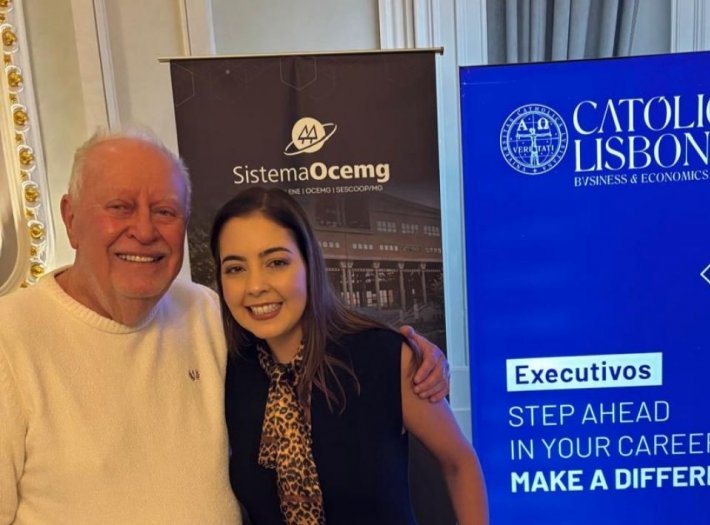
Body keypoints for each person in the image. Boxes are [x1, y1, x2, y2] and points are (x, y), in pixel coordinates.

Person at [0, 129, 450, 524]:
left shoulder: (205, 313)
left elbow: (307, 334)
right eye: (120, 206)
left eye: (165, 211)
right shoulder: (10, 340)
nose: (144, 230)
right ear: (71, 217)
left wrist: (412, 353)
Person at [213, 187, 488, 525]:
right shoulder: (230, 373)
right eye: (235, 268)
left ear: (308, 263)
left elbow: (459, 463)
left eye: (276, 262)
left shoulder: (384, 357)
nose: (255, 286)